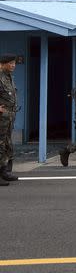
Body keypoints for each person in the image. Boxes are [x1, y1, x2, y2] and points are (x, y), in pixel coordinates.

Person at [0, 54, 20, 186]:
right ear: (3, 64)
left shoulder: (9, 78)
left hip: (9, 117)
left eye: (14, 63)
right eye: (10, 63)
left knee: (6, 144)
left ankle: (4, 171)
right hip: (2, 117)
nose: (13, 65)